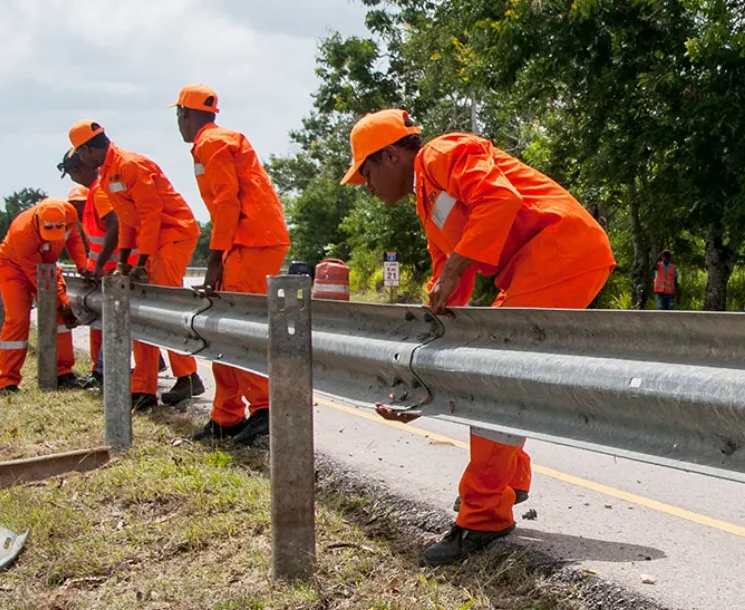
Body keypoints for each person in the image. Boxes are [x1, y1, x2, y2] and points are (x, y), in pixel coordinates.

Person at [341, 109, 616, 565]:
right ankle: (510, 479)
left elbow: (498, 201)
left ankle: (484, 516)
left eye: (366, 174)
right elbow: (448, 300)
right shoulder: (427, 202)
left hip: (562, 251)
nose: (367, 187)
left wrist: (452, 270)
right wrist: (421, 387)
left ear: (389, 155)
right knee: (493, 372)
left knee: (493, 373)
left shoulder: (441, 153)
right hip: (542, 263)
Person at [171, 84, 290, 444]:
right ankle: (226, 415)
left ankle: (265, 409)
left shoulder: (211, 143)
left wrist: (213, 257)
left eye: (178, 117)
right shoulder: (214, 141)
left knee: (240, 329)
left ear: (185, 114)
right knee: (223, 328)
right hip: (246, 241)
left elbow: (227, 203)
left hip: (253, 241)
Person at [67, 120, 204, 409]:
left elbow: (151, 214)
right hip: (153, 241)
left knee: (162, 308)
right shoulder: (107, 175)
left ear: (89, 149)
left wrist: (139, 260)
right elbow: (129, 221)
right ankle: (144, 386)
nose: (80, 162)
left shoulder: (130, 165)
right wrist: (126, 262)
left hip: (173, 234)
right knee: (144, 311)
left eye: (80, 155)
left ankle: (187, 375)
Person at [0, 198, 88, 395]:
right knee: (18, 319)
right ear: (37, 220)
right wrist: (61, 303)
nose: (53, 235)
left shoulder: (70, 213)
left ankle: (63, 372)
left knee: (60, 317)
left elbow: (73, 239)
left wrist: (82, 265)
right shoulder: (22, 231)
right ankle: (8, 380)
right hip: (14, 269)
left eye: (58, 229)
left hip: (47, 267)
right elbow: (38, 278)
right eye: (49, 229)